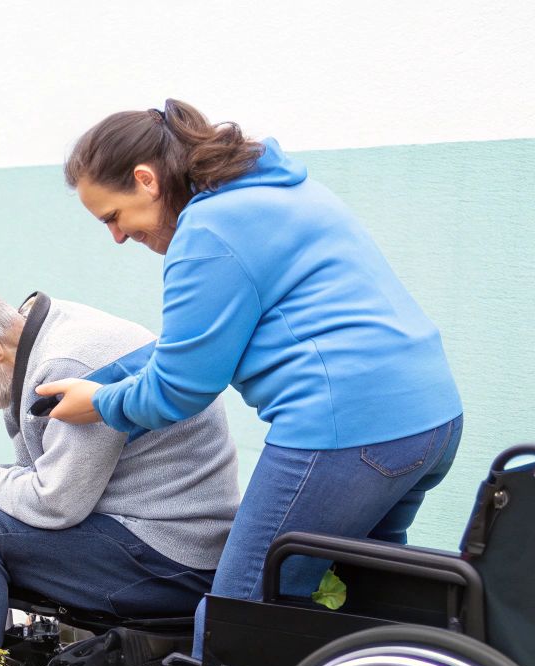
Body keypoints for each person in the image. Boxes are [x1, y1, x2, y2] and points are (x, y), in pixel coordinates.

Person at [38, 99, 465, 623]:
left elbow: (181, 389)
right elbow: (194, 347)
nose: (118, 236)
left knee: (234, 616)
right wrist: (101, 378)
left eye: (113, 216)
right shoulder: (274, 193)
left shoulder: (207, 233)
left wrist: (102, 403)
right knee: (367, 609)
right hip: (428, 422)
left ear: (146, 180)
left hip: (345, 432)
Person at [0, 283, 239, 666]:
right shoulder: (38, 343)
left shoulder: (69, 364)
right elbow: (48, 481)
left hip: (172, 559)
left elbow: (55, 502)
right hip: (124, 530)